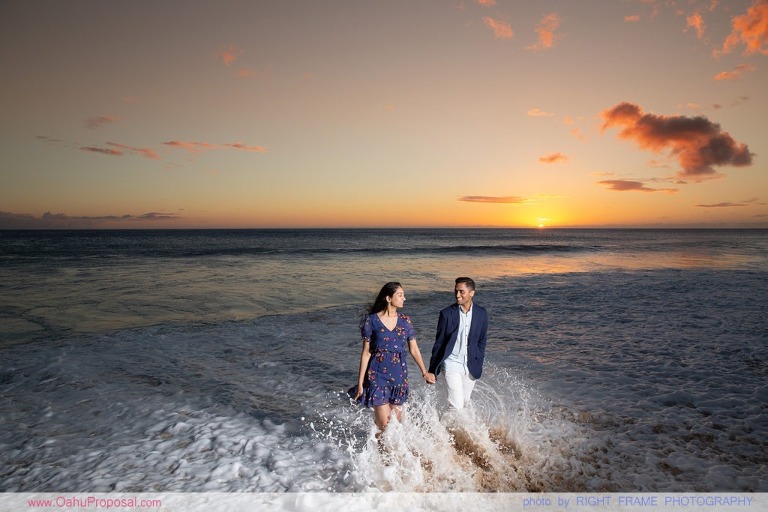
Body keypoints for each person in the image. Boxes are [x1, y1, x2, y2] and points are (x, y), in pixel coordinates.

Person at [353, 282, 430, 432]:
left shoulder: (405, 321)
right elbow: (366, 353)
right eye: (400, 295)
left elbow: (414, 349)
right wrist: (361, 383)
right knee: (384, 425)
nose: (404, 298)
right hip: (377, 376)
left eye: (403, 295)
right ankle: (381, 454)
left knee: (396, 425)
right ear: (389, 298)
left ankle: (394, 454)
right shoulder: (372, 321)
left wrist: (424, 372)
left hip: (399, 376)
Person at [425, 277, 488, 414]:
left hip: (470, 365)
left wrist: (479, 360)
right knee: (457, 405)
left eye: (461, 291)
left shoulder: (481, 313)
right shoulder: (447, 314)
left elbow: (481, 341)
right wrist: (431, 370)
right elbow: (439, 342)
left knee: (465, 403)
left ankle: (446, 428)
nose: (457, 295)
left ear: (471, 293)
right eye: (456, 291)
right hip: (451, 363)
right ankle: (444, 435)